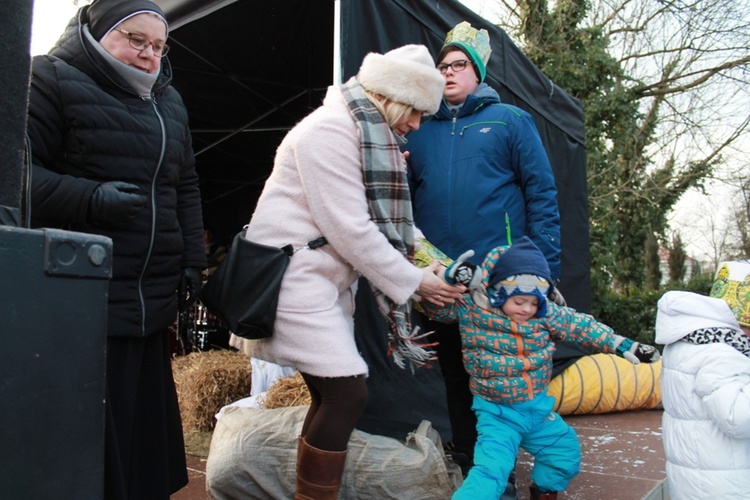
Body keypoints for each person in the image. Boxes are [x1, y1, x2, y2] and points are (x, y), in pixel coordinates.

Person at [229, 44, 466, 499]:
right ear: (393, 97)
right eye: (416, 111)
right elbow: (351, 230)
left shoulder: (362, 135)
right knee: (347, 395)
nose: (416, 125)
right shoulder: (328, 131)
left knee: (330, 396)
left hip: (319, 281)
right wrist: (416, 281)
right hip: (295, 280)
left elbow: (386, 222)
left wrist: (430, 261)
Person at [26, 1, 206, 497]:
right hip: (79, 294)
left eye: (159, 46)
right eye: (136, 40)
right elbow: (16, 175)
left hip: (147, 296)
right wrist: (90, 198)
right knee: (85, 434)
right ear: (99, 32)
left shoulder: (168, 102)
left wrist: (192, 258)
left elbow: (184, 184)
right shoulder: (49, 79)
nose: (149, 55)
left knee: (138, 431)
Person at [403, 21, 562, 485]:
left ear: (477, 72)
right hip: (442, 281)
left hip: (502, 282)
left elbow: (542, 196)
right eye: (443, 65)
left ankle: (510, 469)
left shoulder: (511, 121)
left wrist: (544, 271)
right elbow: (404, 208)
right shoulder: (418, 132)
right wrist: (417, 272)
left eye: (459, 65)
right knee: (456, 375)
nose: (449, 72)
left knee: (503, 379)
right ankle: (477, 468)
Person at [420, 236, 660, 499]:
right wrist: (451, 280)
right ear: (499, 291)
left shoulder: (545, 316)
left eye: (534, 302)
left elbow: (582, 326)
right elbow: (437, 309)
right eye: (519, 301)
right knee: (491, 474)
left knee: (564, 455)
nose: (526, 309)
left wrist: (623, 345)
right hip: (497, 415)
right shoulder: (474, 309)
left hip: (536, 410)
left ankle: (543, 493)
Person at [655, 260, 750, 499]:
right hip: (726, 486)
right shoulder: (721, 352)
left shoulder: (693, 339)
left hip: (699, 481)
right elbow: (737, 417)